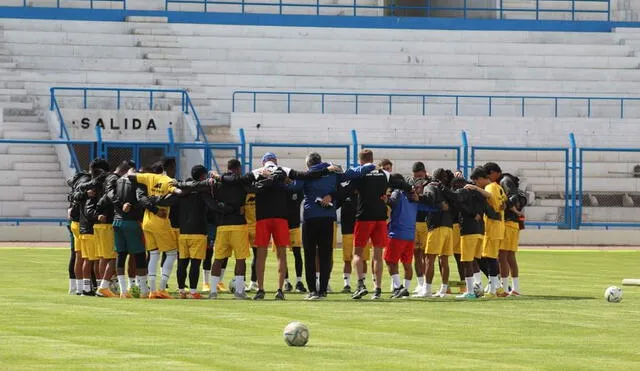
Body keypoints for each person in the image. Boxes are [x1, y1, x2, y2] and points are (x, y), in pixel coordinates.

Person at [214, 152, 327, 300]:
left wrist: (218, 176)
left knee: (261, 256)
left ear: (263, 162)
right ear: (275, 161)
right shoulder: (283, 169)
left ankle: (260, 289)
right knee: (281, 255)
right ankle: (279, 290)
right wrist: (327, 169)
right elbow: (306, 175)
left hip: (262, 219)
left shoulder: (257, 172)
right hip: (281, 218)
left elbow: (237, 180)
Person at [289, 153, 375, 300]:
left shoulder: (307, 174)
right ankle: (323, 290)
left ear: (308, 164)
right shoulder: (333, 172)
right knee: (325, 255)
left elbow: (292, 188)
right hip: (328, 218)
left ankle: (312, 291)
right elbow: (353, 173)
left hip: (311, 218)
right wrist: (369, 166)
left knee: (310, 255)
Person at [350, 149, 408, 300]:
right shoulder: (383, 173)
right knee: (377, 255)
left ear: (361, 160)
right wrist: (411, 190)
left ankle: (361, 284)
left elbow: (347, 185)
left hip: (364, 217)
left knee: (357, 253)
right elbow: (400, 183)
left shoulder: (360, 172)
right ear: (372, 158)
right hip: (380, 218)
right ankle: (378, 289)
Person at [165, 165, 229, 299]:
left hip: (183, 232)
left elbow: (173, 206)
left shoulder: (181, 191)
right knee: (195, 263)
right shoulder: (203, 192)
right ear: (202, 176)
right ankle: (193, 292)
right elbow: (213, 206)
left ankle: (182, 290)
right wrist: (226, 208)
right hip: (199, 232)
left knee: (182, 262)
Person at [128, 161, 181, 299]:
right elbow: (176, 191)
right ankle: (162, 288)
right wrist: (177, 189)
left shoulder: (149, 177)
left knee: (153, 254)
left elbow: (130, 176)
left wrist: (132, 170)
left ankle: (152, 290)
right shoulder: (168, 180)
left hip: (147, 221)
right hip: (161, 221)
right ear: (167, 169)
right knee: (171, 253)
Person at [205, 159, 252, 299]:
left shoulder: (218, 183)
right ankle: (239, 292)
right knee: (240, 259)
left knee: (218, 259)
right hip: (238, 225)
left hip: (222, 225)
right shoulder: (241, 182)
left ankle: (213, 292)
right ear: (238, 168)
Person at [385, 173, 433, 299]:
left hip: (397, 233)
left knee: (390, 261)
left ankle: (398, 287)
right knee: (407, 263)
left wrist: (386, 200)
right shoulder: (414, 196)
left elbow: (392, 203)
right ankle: (405, 289)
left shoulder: (398, 193)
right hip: (410, 235)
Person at [466, 162, 508, 298]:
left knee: (489, 258)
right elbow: (504, 203)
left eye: (476, 181)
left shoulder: (490, 187)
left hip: (492, 226)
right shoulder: (498, 187)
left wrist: (475, 189)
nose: (476, 184)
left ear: (479, 178)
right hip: (499, 226)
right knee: (489, 257)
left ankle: (494, 289)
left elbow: (489, 196)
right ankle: (497, 286)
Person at [110, 162, 149, 298]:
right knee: (139, 255)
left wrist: (121, 206)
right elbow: (140, 199)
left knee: (121, 255)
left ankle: (123, 291)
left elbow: (111, 196)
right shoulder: (137, 181)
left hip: (117, 221)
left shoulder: (118, 181)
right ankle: (144, 290)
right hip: (132, 222)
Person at [94, 161, 131, 298]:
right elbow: (109, 195)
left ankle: (103, 286)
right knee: (112, 256)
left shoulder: (105, 178)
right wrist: (120, 205)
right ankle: (105, 287)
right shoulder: (115, 180)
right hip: (108, 222)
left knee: (104, 256)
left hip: (101, 221)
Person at [451, 171, 490, 299]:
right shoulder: (478, 194)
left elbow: (459, 205)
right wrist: (478, 213)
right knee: (474, 260)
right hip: (479, 230)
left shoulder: (462, 195)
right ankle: (478, 285)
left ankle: (470, 291)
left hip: (468, 231)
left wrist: (472, 214)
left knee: (466, 261)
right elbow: (487, 201)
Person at [416, 168, 454, 298]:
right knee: (444, 260)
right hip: (449, 227)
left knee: (429, 259)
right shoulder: (447, 188)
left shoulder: (431, 186)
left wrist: (419, 198)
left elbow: (430, 199)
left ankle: (427, 289)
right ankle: (443, 290)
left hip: (436, 225)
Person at [336, 182, 370, 293]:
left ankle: (362, 283)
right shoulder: (345, 195)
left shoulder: (365, 195)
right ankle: (347, 284)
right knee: (347, 259)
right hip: (347, 231)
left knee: (363, 259)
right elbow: (335, 205)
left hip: (362, 231)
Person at [500, 172, 526, 296]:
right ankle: (516, 288)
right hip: (514, 225)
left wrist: (509, 207)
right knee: (510, 256)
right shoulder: (513, 185)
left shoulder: (504, 181)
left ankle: (504, 289)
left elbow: (512, 198)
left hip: (507, 224)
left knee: (502, 256)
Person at [67, 170, 92, 295]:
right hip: (83, 222)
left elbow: (72, 196)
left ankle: (76, 287)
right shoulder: (88, 182)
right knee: (87, 256)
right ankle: (86, 288)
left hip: (74, 222)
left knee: (77, 255)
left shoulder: (76, 181)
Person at [407, 161, 429, 295]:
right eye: (416, 176)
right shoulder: (409, 183)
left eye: (421, 176)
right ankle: (420, 283)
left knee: (427, 255)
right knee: (416, 253)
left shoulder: (431, 183)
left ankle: (427, 283)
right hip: (414, 221)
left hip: (427, 222)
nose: (418, 179)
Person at [282, 188, 307, 293]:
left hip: (295, 226)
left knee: (297, 254)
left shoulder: (297, 190)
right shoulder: (279, 189)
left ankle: (299, 281)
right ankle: (286, 282)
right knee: (282, 256)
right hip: (281, 226)